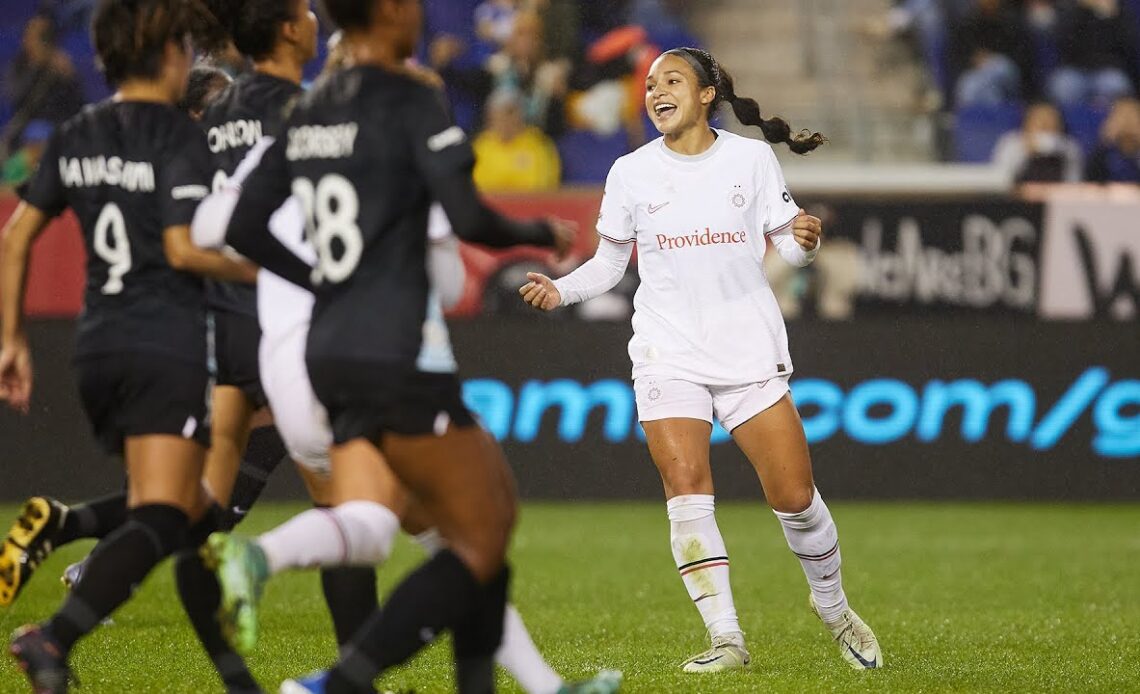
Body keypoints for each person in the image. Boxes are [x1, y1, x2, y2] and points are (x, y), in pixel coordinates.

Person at [217, 0, 578, 692]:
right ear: (385, 13)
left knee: (373, 520)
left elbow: (244, 225)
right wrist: (539, 230)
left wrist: (322, 278)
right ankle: (328, 668)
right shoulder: (409, 101)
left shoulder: (310, 110)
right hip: (396, 347)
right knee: (482, 527)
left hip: (327, 352)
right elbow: (469, 215)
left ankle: (268, 572)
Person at [519, 46, 883, 674]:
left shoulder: (749, 159)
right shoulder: (630, 171)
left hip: (747, 349)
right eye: (651, 85)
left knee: (794, 497)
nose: (656, 92)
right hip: (667, 351)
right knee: (687, 489)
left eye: (672, 81)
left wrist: (806, 241)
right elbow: (610, 264)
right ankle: (727, 639)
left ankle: (834, 608)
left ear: (708, 93)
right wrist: (562, 288)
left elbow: (788, 251)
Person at [0, 1, 257, 691]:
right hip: (164, 344)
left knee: (197, 516)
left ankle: (238, 680)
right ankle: (54, 637)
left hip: (96, 349)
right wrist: (260, 265)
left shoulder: (78, 131)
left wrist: (11, 339)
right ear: (172, 57)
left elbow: (16, 235)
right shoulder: (180, 137)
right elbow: (183, 244)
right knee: (164, 513)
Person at [1, 13, 85, 158]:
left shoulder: (62, 68)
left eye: (41, 37)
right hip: (23, 126)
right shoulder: (19, 65)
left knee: (38, 135)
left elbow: (77, 104)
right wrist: (36, 67)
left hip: (57, 127)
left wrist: (68, 76)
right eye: (28, 36)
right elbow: (15, 94)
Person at [1049, 0, 1139, 106]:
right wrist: (1081, 9)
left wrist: (1113, 17)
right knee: (1062, 87)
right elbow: (1061, 41)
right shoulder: (1070, 8)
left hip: (1108, 69)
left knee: (1116, 85)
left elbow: (1130, 46)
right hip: (1075, 69)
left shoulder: (1121, 10)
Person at [473, 88, 562, 192]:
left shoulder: (539, 144)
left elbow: (544, 187)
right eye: (501, 114)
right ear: (490, 117)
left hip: (528, 205)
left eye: (512, 112)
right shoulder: (480, 146)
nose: (506, 120)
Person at [949, 0, 1036, 106]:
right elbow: (959, 55)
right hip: (977, 73)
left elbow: (1023, 57)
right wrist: (975, 60)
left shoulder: (1012, 20)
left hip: (1008, 71)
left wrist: (992, 60)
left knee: (996, 71)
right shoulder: (967, 22)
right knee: (971, 85)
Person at [991, 101, 1084, 183]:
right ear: (1027, 122)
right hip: (1019, 198)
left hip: (1058, 197)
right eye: (1039, 118)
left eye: (1050, 119)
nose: (1045, 124)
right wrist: (1025, 153)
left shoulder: (1069, 147)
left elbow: (1074, 182)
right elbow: (1001, 179)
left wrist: (1052, 152)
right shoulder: (1011, 142)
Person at [1086, 97, 1140, 182]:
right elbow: (1091, 181)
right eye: (1122, 116)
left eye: (1131, 117)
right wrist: (1105, 141)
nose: (1127, 123)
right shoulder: (1103, 153)